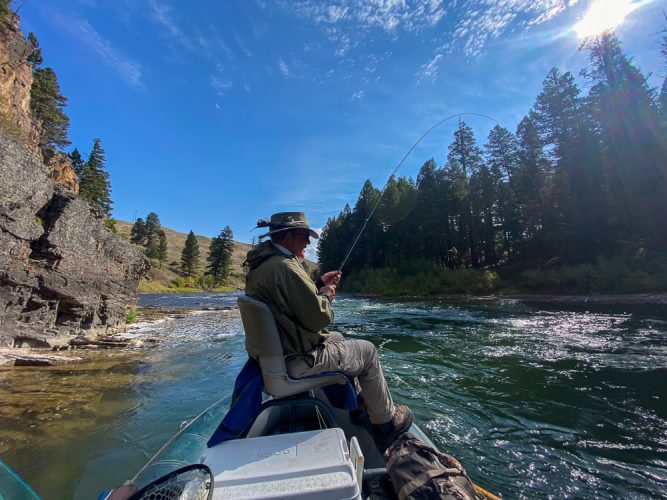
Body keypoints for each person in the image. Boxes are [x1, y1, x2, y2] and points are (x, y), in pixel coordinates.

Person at [244, 211, 413, 445]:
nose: (309, 241)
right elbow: (318, 319)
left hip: (276, 355)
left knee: (337, 337)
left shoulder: (263, 265)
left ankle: (358, 406)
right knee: (368, 351)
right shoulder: (286, 267)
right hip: (295, 360)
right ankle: (386, 424)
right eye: (304, 235)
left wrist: (318, 285)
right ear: (287, 237)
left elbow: (287, 302)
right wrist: (327, 297)